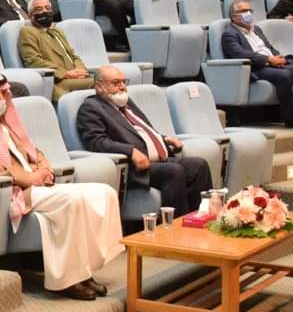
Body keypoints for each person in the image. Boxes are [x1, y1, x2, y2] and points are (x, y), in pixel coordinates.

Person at [0, 74, 122, 300]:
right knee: (72, 201)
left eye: (4, 93)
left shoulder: (7, 120)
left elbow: (34, 151)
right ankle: (67, 280)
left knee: (104, 193)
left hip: (36, 184)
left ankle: (85, 270)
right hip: (13, 193)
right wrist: (30, 178)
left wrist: (45, 169)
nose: (0, 99)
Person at [76, 66, 213, 217]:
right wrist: (130, 151)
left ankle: (202, 219)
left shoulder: (126, 102)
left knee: (199, 165)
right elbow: (96, 142)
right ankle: (175, 226)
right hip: (132, 167)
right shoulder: (90, 108)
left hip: (158, 160)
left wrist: (164, 139)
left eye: (124, 82)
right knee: (174, 171)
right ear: (99, 86)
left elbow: (143, 131)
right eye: (115, 83)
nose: (122, 87)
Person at [221, 0, 293, 128]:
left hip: (273, 64)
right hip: (257, 68)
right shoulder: (229, 34)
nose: (248, 13)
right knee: (284, 75)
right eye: (244, 11)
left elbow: (269, 48)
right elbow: (240, 54)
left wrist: (278, 57)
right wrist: (269, 60)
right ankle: (290, 119)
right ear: (233, 16)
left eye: (250, 10)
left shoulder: (257, 29)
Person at [17, 0, 92, 101]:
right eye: (39, 9)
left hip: (75, 77)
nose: (45, 11)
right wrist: (65, 73)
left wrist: (80, 70)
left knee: (105, 80)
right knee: (102, 82)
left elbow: (73, 56)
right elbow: (33, 61)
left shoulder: (57, 31)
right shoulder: (28, 32)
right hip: (58, 81)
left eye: (48, 8)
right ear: (30, 15)